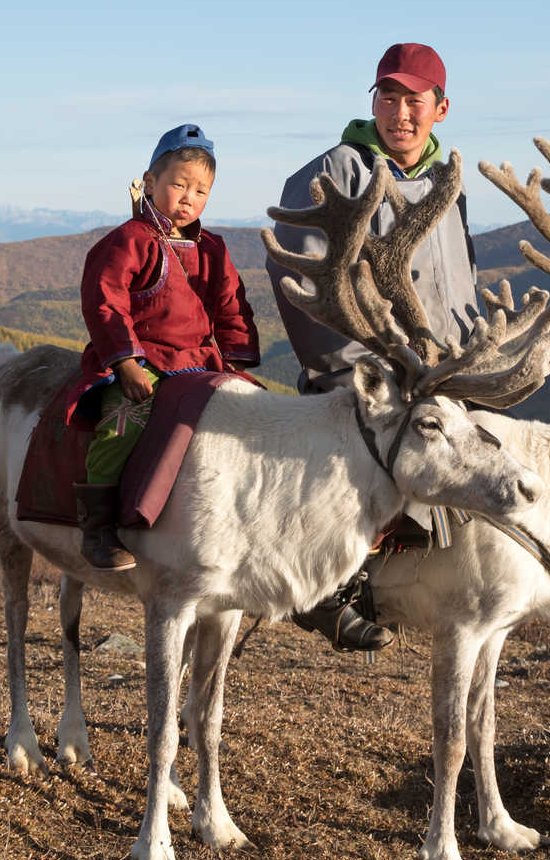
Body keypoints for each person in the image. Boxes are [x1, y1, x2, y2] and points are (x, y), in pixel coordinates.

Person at [267, 43, 483, 650]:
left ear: (441, 108)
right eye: (388, 97)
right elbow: (306, 283)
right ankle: (329, 591)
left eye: (414, 100)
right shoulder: (335, 173)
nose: (400, 113)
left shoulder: (447, 184)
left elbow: (459, 281)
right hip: (369, 383)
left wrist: (469, 361)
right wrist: (356, 375)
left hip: (438, 381)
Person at [71, 123, 260, 571]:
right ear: (151, 183)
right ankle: (97, 527)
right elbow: (105, 302)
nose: (189, 198)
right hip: (143, 359)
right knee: (124, 421)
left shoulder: (211, 247)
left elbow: (232, 304)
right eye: (179, 184)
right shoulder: (129, 241)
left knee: (256, 418)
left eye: (201, 191)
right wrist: (127, 363)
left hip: (200, 361)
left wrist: (234, 360)